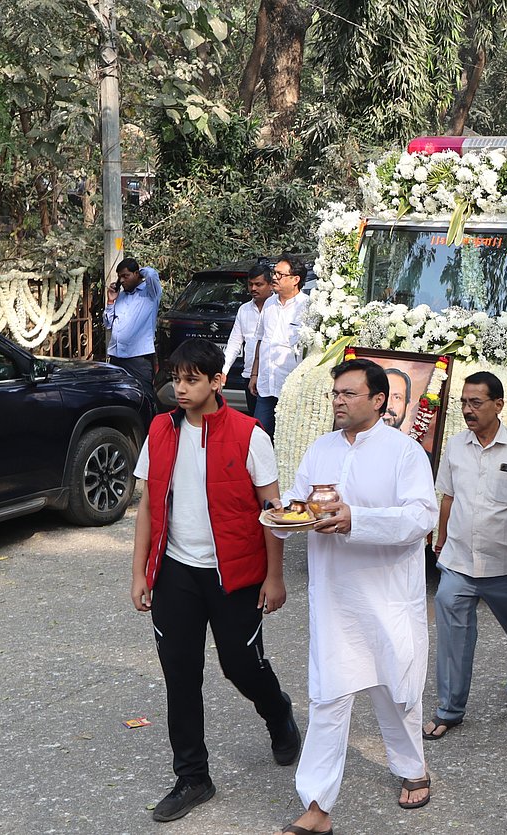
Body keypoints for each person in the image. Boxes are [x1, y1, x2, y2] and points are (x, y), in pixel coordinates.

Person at [130, 339, 298, 823]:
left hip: (235, 575)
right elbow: (148, 505)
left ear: (217, 381)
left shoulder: (249, 435)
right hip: (175, 572)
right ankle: (193, 777)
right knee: (180, 674)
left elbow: (272, 511)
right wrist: (140, 571)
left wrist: (274, 577)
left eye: (192, 380)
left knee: (241, 666)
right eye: (175, 379)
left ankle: (277, 712)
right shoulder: (160, 430)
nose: (180, 389)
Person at [275, 358, 439, 835]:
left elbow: (421, 517)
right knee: (328, 697)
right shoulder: (321, 449)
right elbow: (299, 503)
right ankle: (317, 806)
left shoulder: (404, 453)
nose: (338, 402)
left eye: (349, 394)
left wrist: (357, 520)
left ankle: (412, 767)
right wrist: (283, 515)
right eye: (335, 394)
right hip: (335, 598)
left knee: (396, 690)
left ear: (379, 400)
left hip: (388, 596)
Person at [425, 371, 507, 740]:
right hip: (459, 562)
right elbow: (449, 497)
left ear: (498, 404)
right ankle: (449, 710)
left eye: (476, 402)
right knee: (452, 639)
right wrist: (441, 540)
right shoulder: (456, 446)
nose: (468, 410)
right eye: (464, 402)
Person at [250, 254, 310, 437]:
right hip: (266, 385)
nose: (274, 278)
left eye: (280, 274)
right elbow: (261, 340)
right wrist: (254, 374)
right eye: (274, 273)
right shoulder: (269, 303)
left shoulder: (307, 307)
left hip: (291, 388)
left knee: (286, 438)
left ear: (295, 280)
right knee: (259, 436)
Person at [105, 256, 163, 400]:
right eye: (120, 277)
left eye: (126, 276)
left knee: (144, 397)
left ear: (136, 274)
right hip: (116, 356)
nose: (122, 280)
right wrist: (111, 301)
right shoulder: (121, 296)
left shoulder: (150, 293)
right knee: (118, 397)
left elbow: (152, 274)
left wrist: (139, 270)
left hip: (138, 358)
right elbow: (108, 324)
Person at [222, 264, 273, 416]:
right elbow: (234, 343)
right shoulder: (244, 309)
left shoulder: (277, 308)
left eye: (259, 284)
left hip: (272, 377)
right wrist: (224, 370)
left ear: (271, 285)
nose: (253, 288)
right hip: (249, 375)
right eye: (250, 284)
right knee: (255, 421)